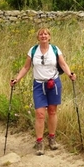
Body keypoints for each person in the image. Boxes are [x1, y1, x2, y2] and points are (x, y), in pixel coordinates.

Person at [10, 27, 76, 155]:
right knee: (40, 113)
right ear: (38, 37)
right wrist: (16, 79)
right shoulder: (33, 50)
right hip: (39, 85)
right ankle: (39, 142)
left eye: (46, 34)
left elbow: (63, 64)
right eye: (41, 34)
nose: (43, 36)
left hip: (53, 84)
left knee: (52, 111)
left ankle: (52, 138)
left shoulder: (55, 50)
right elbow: (26, 67)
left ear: (49, 37)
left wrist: (70, 74)